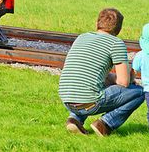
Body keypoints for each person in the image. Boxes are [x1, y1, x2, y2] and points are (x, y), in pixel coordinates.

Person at [59, 8, 144, 137]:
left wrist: (114, 79)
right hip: (89, 102)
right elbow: (123, 82)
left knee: (91, 85)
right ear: (119, 29)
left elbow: (95, 75)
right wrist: (131, 78)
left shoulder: (82, 37)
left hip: (66, 98)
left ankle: (75, 119)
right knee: (139, 92)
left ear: (97, 23)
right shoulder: (116, 43)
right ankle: (105, 124)